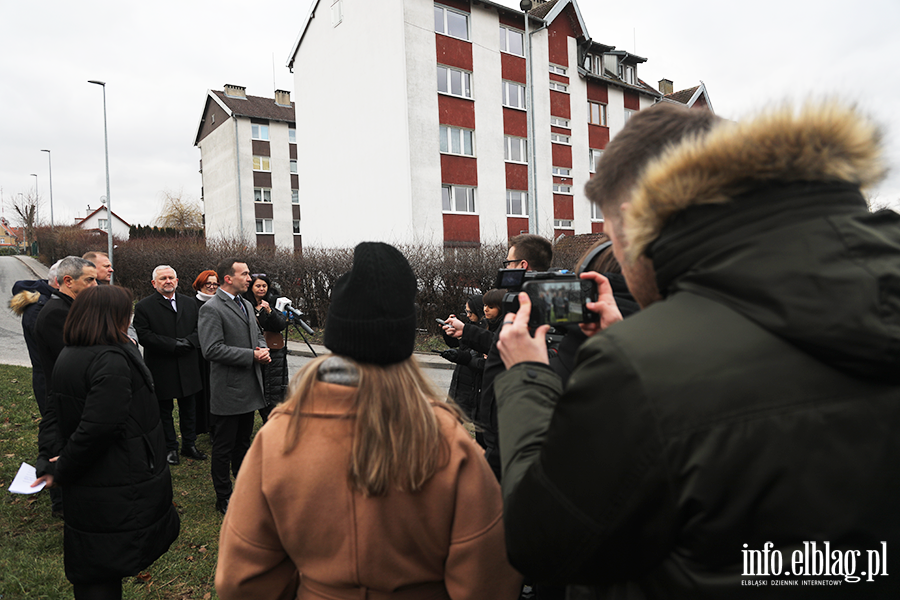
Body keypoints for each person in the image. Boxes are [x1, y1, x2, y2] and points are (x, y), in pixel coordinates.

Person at [494, 101, 900, 597]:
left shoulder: (639, 370)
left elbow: (541, 541)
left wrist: (527, 379)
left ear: (633, 220)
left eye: (611, 236)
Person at [216, 241, 522, 600]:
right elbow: (487, 583)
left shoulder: (278, 438)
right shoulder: (448, 442)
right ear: (402, 342)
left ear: (337, 338)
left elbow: (242, 582)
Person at [32, 285, 180, 600]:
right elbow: (99, 427)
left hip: (93, 483)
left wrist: (51, 457)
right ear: (113, 317)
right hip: (112, 481)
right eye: (127, 313)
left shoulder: (71, 353)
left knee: (92, 562)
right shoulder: (109, 360)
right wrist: (61, 468)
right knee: (100, 570)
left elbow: (53, 412)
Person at [443, 234, 552, 479]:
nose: (505, 268)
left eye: (508, 263)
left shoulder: (529, 308)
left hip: (508, 430)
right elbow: (500, 343)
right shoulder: (519, 306)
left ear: (522, 265)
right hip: (499, 429)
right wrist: (466, 332)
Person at [199, 259, 270, 515]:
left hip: (250, 388)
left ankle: (244, 489)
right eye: (245, 274)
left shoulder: (247, 305)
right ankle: (224, 496)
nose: (249, 278)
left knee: (243, 443)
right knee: (223, 447)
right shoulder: (212, 308)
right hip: (228, 391)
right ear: (228, 278)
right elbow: (211, 349)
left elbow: (257, 334)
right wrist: (251, 355)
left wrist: (262, 348)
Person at [133, 265, 206, 465]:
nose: (168, 281)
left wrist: (189, 342)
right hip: (161, 365)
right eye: (163, 278)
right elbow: (145, 335)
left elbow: (200, 328)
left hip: (188, 363)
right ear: (153, 283)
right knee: (163, 410)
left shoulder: (190, 303)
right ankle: (170, 448)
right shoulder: (143, 306)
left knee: (189, 408)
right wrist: (173, 345)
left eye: (171, 277)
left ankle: (189, 444)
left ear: (177, 280)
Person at [242, 274, 287, 422]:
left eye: (264, 286)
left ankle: (270, 423)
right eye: (258, 286)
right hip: (253, 351)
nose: (261, 289)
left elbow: (280, 325)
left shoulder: (273, 303)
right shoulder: (244, 304)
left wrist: (269, 312)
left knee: (272, 393)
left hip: (273, 353)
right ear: (251, 287)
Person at [440, 294, 485, 419]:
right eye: (466, 312)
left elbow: (479, 359)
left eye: (471, 312)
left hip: (472, 387)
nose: (468, 315)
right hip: (458, 383)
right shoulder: (469, 326)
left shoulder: (484, 332)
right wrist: (447, 332)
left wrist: (462, 357)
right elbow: (455, 343)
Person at [192, 269, 219, 436]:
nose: (211, 287)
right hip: (199, 355)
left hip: (218, 354)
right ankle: (203, 425)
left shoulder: (221, 303)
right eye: (208, 283)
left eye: (215, 284)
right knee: (202, 392)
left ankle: (216, 426)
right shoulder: (191, 304)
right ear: (200, 284)